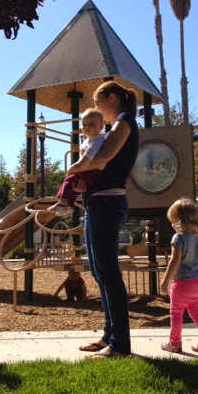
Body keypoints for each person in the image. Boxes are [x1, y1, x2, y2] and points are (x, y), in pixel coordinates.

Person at [75, 81, 139, 359]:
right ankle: (108, 336)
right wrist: (83, 180)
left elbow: (103, 156)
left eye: (97, 101)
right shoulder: (117, 125)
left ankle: (120, 344)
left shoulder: (124, 122)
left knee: (108, 273)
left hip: (107, 204)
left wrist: (75, 169)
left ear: (112, 98)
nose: (96, 107)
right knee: (99, 271)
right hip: (96, 203)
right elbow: (101, 164)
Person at [159, 197, 198, 354]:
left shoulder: (178, 238)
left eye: (173, 222)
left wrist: (165, 281)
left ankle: (175, 343)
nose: (172, 225)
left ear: (179, 222)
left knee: (176, 313)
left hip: (182, 284)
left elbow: (174, 261)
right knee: (197, 313)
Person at [48, 108, 105, 215]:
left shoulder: (97, 141)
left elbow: (87, 158)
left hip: (93, 171)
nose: (87, 127)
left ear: (100, 127)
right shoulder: (87, 141)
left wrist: (75, 168)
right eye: (84, 125)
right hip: (87, 169)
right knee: (73, 183)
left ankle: (62, 204)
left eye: (91, 124)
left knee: (70, 179)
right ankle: (69, 206)